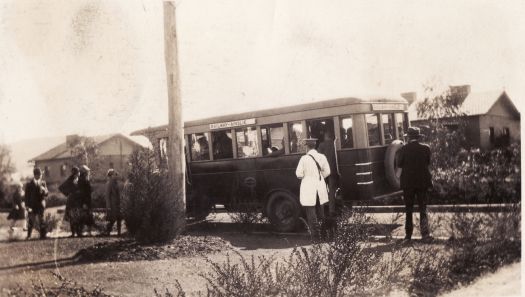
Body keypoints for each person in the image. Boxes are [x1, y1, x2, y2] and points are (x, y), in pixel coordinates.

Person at [396, 127, 433, 243]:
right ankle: (425, 235)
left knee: (409, 210)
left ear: (408, 137)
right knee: (423, 208)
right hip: (422, 182)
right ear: (418, 137)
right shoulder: (426, 148)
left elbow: (399, 166)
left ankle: (408, 236)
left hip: (408, 184)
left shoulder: (403, 150)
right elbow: (428, 163)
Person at [295, 138, 331, 239]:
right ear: (315, 146)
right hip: (320, 187)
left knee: (311, 212)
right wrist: (318, 177)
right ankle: (323, 234)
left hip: (309, 188)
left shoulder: (304, 158)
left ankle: (315, 236)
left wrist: (307, 177)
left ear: (307, 147)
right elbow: (327, 172)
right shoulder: (322, 157)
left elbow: (299, 174)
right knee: (321, 211)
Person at [317, 131, 339, 217]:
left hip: (323, 171)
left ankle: (321, 211)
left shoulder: (322, 145)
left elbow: (318, 157)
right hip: (333, 170)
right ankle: (331, 210)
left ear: (326, 136)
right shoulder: (335, 144)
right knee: (332, 190)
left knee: (322, 190)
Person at [24, 167, 48, 239]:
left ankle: (43, 235)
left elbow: (47, 194)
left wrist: (44, 190)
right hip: (32, 205)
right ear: (35, 175)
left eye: (41, 174)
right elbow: (26, 196)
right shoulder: (29, 184)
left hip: (41, 205)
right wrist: (27, 206)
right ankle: (29, 236)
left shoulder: (43, 183)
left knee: (42, 220)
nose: (41, 176)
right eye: (40, 174)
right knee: (31, 220)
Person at [59, 166, 81, 237]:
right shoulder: (70, 180)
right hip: (71, 201)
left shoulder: (80, 180)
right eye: (78, 172)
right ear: (75, 173)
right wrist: (68, 193)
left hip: (78, 201)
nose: (79, 173)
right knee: (72, 217)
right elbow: (61, 188)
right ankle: (73, 233)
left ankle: (78, 232)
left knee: (78, 217)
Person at [77, 165, 94, 236]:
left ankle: (82, 231)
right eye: (87, 172)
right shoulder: (82, 180)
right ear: (84, 173)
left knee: (85, 216)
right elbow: (83, 193)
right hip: (85, 201)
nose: (88, 173)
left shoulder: (83, 180)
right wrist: (84, 203)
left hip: (85, 201)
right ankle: (83, 232)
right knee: (85, 216)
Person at [104, 169, 122, 236]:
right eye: (115, 174)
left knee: (119, 218)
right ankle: (108, 231)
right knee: (112, 219)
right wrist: (108, 206)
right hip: (112, 204)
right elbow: (107, 195)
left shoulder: (116, 183)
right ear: (111, 175)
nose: (116, 175)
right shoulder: (109, 183)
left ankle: (119, 233)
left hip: (117, 204)